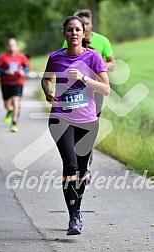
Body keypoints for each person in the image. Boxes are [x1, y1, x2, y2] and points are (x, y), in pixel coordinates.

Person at [41, 16, 110, 235]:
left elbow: (106, 89)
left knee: (82, 170)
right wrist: (47, 91)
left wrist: (83, 78)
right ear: (64, 34)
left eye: (78, 29)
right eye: (70, 30)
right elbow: (46, 78)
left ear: (83, 33)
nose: (74, 33)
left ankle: (77, 210)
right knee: (70, 166)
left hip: (88, 121)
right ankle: (73, 217)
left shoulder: (93, 57)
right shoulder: (56, 57)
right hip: (61, 118)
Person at [63, 9, 115, 178]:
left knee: (90, 124)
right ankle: (77, 161)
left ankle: (85, 164)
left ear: (90, 24)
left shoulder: (102, 41)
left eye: (85, 24)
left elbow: (112, 63)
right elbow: (63, 62)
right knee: (77, 123)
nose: (81, 28)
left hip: (96, 87)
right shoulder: (71, 40)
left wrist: (98, 68)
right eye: (79, 24)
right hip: (77, 90)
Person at [0, 38, 30, 132]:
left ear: (17, 47)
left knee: (16, 101)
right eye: (10, 45)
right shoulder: (3, 57)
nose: (12, 47)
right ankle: (9, 111)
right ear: (7, 46)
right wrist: (5, 71)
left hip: (18, 81)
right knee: (6, 104)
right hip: (5, 83)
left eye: (14, 45)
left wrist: (23, 71)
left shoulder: (21, 56)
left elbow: (26, 65)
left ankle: (14, 123)